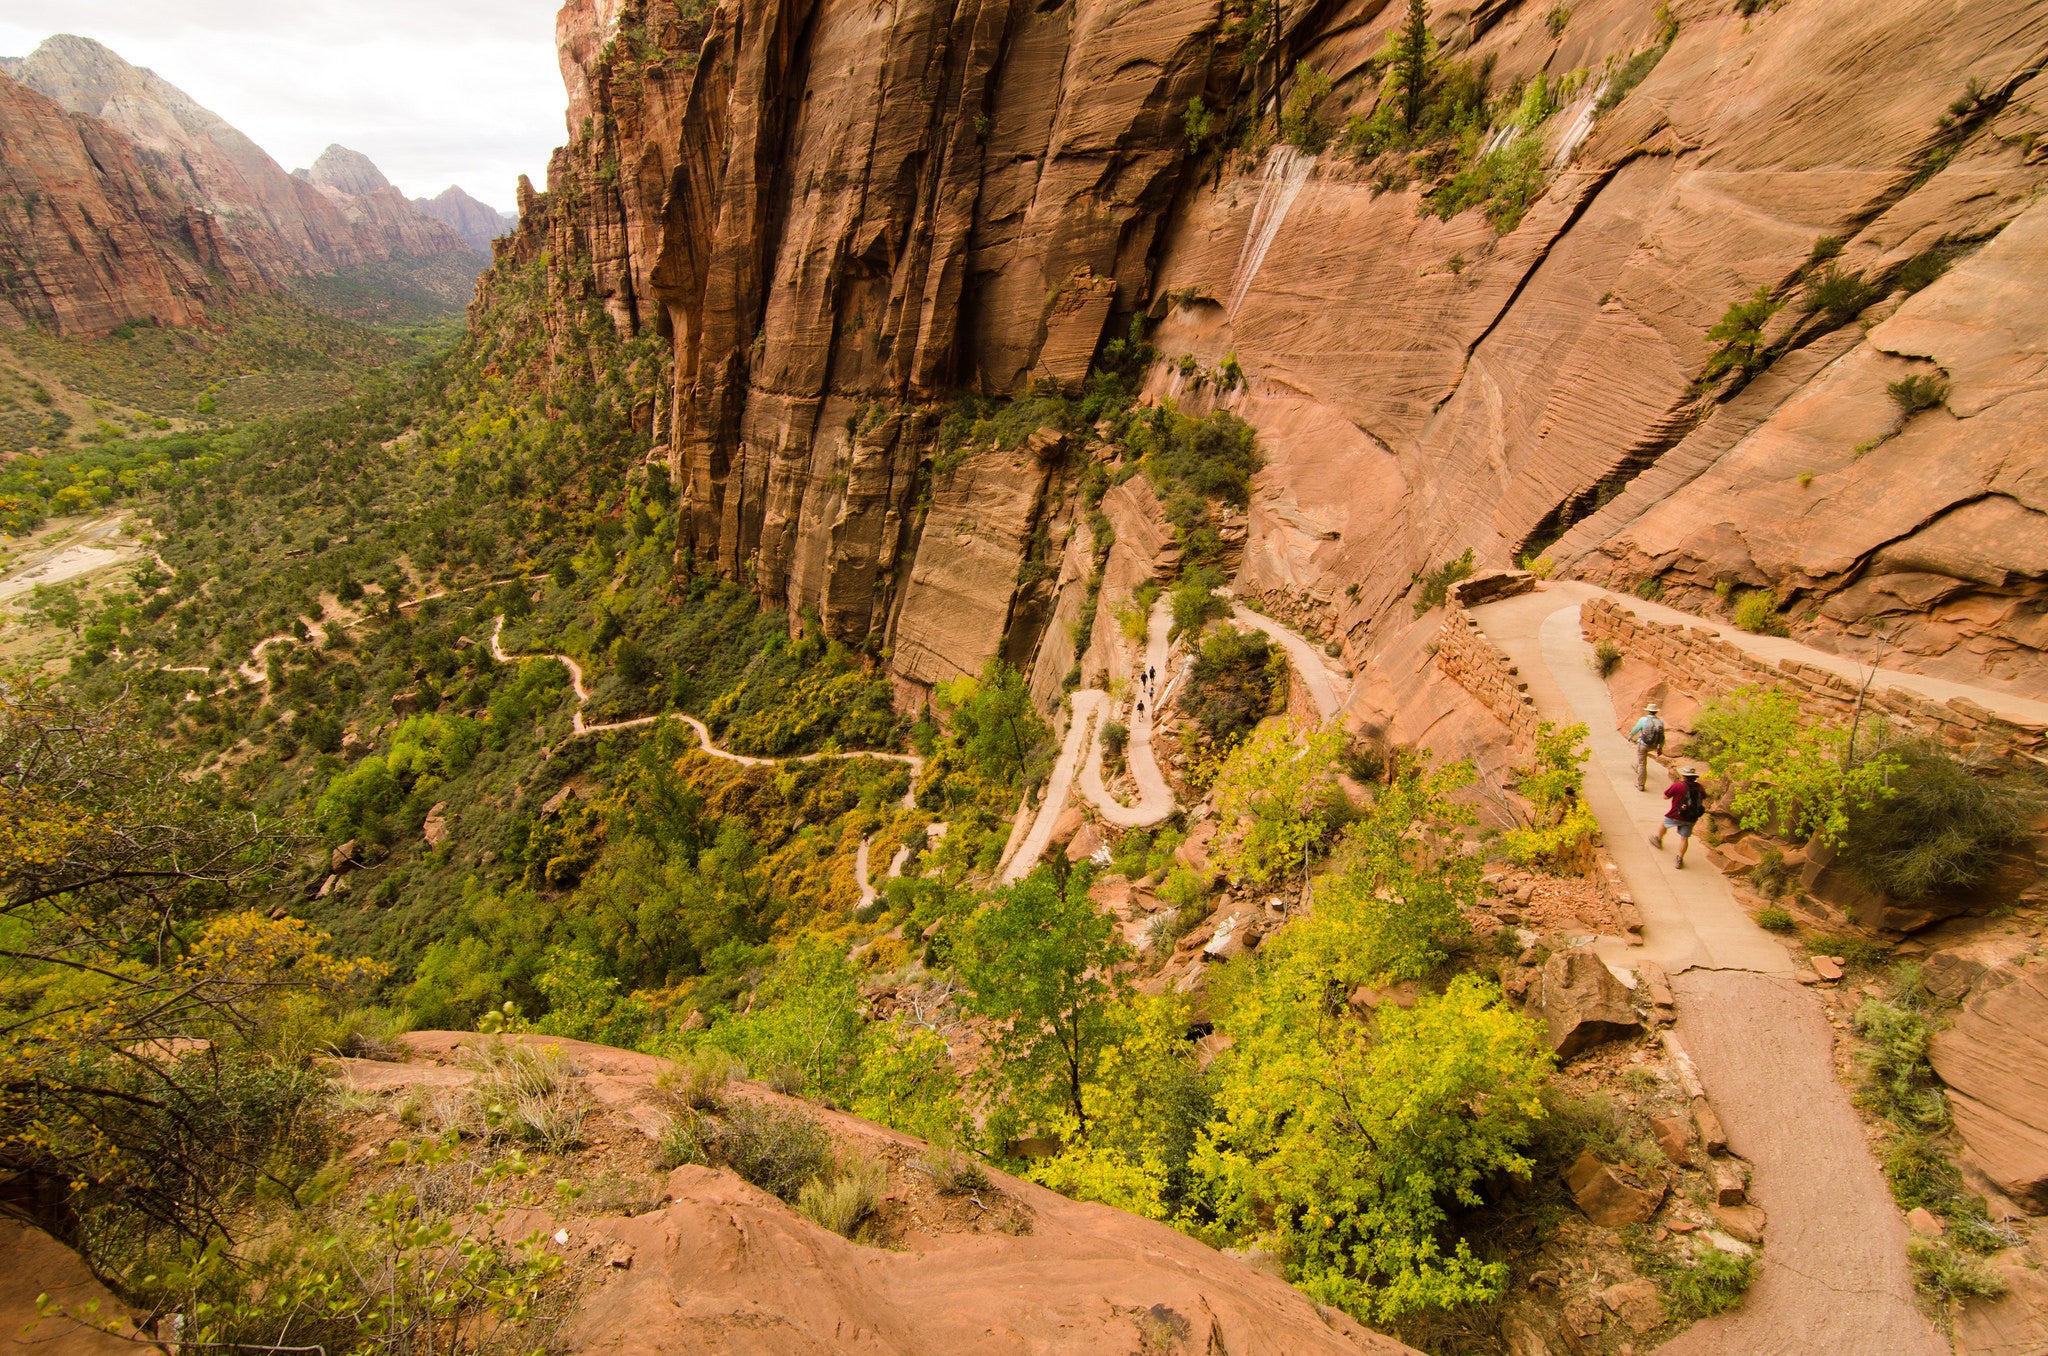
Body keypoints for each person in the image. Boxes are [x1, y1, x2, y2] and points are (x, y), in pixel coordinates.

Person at [1650, 766, 1707, 868]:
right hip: (1691, 817)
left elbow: (1665, 796)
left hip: (1676, 814)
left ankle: (1658, 839)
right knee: (1684, 839)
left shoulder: (1678, 786)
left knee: (1664, 824)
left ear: (1684, 776)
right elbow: (1703, 797)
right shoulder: (1700, 787)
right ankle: (1680, 859)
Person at [1628, 702, 1666, 792]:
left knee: (1643, 764)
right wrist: (1660, 747)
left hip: (1644, 744)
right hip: (1654, 745)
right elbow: (1663, 736)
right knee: (1642, 759)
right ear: (1656, 712)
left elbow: (1635, 729)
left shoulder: (1643, 720)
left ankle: (1640, 785)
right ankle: (1637, 767)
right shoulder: (1660, 721)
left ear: (1648, 711)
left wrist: (1630, 736)